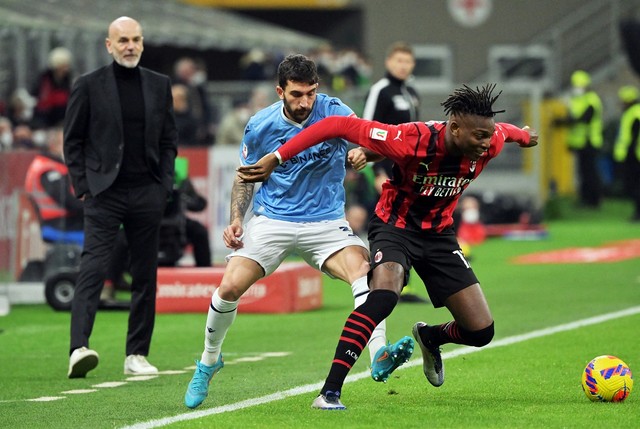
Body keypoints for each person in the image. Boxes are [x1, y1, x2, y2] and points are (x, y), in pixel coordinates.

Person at [237, 84, 539, 410]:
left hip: (439, 236)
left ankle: (431, 337)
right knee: (383, 297)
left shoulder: (489, 141)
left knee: (481, 332)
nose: (486, 143)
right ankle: (329, 393)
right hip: (395, 228)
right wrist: (278, 156)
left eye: (488, 136)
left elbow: (507, 133)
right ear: (454, 128)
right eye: (479, 136)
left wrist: (523, 136)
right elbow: (336, 126)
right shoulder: (411, 138)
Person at [183, 54, 412, 410]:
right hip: (274, 220)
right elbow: (245, 177)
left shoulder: (337, 111)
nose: (305, 102)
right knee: (228, 287)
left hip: (325, 222)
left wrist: (365, 154)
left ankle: (378, 353)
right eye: (296, 94)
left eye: (310, 93)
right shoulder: (260, 125)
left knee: (366, 274)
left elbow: (383, 144)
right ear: (280, 92)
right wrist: (237, 220)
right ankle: (208, 362)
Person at [63, 16, 178, 378]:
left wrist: (163, 186)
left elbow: (168, 140)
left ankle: (137, 355)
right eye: (123, 40)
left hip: (147, 191)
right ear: (109, 45)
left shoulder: (159, 85)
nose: (130, 46)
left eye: (136, 40)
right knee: (93, 268)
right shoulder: (88, 85)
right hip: (104, 193)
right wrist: (84, 186)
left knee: (145, 273)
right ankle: (78, 348)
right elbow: (73, 140)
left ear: (143, 43)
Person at [362, 41, 425, 303]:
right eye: (399, 61)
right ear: (389, 63)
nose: (403, 66)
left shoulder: (411, 91)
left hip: (408, 173)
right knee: (385, 227)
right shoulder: (381, 90)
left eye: (407, 61)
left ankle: (401, 284)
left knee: (408, 225)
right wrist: (377, 170)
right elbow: (366, 129)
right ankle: (377, 282)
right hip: (384, 170)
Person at [555, 70, 603, 208]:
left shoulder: (591, 100)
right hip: (581, 142)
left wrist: (563, 122)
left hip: (590, 141)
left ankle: (594, 200)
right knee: (584, 172)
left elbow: (583, 119)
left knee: (590, 173)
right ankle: (586, 199)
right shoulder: (577, 100)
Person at [612, 85, 640, 222]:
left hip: (635, 156)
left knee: (635, 186)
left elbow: (633, 136)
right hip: (633, 155)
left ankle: (638, 213)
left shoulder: (635, 113)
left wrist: (629, 153)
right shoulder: (632, 112)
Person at [32, 47, 73, 128]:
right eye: (64, 65)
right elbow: (38, 95)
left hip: (62, 114)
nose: (66, 68)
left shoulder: (68, 78)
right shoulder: (45, 78)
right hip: (46, 114)